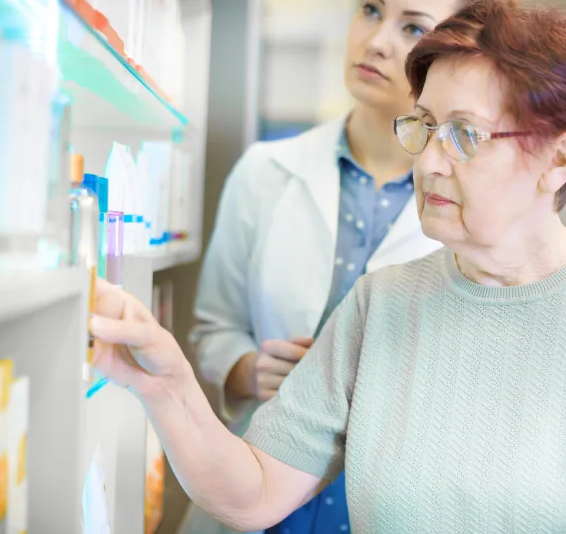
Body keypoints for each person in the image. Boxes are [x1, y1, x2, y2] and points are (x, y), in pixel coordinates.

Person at [89, 1, 566, 532]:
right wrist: (166, 384)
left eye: (464, 135)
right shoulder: (381, 305)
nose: (427, 163)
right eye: (423, 127)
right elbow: (254, 491)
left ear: (560, 160)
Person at [189, 0, 461, 532]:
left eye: (412, 27)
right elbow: (212, 327)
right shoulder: (265, 171)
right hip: (257, 480)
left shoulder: (462, 204)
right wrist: (247, 371)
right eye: (370, 10)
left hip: (386, 502)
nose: (377, 40)